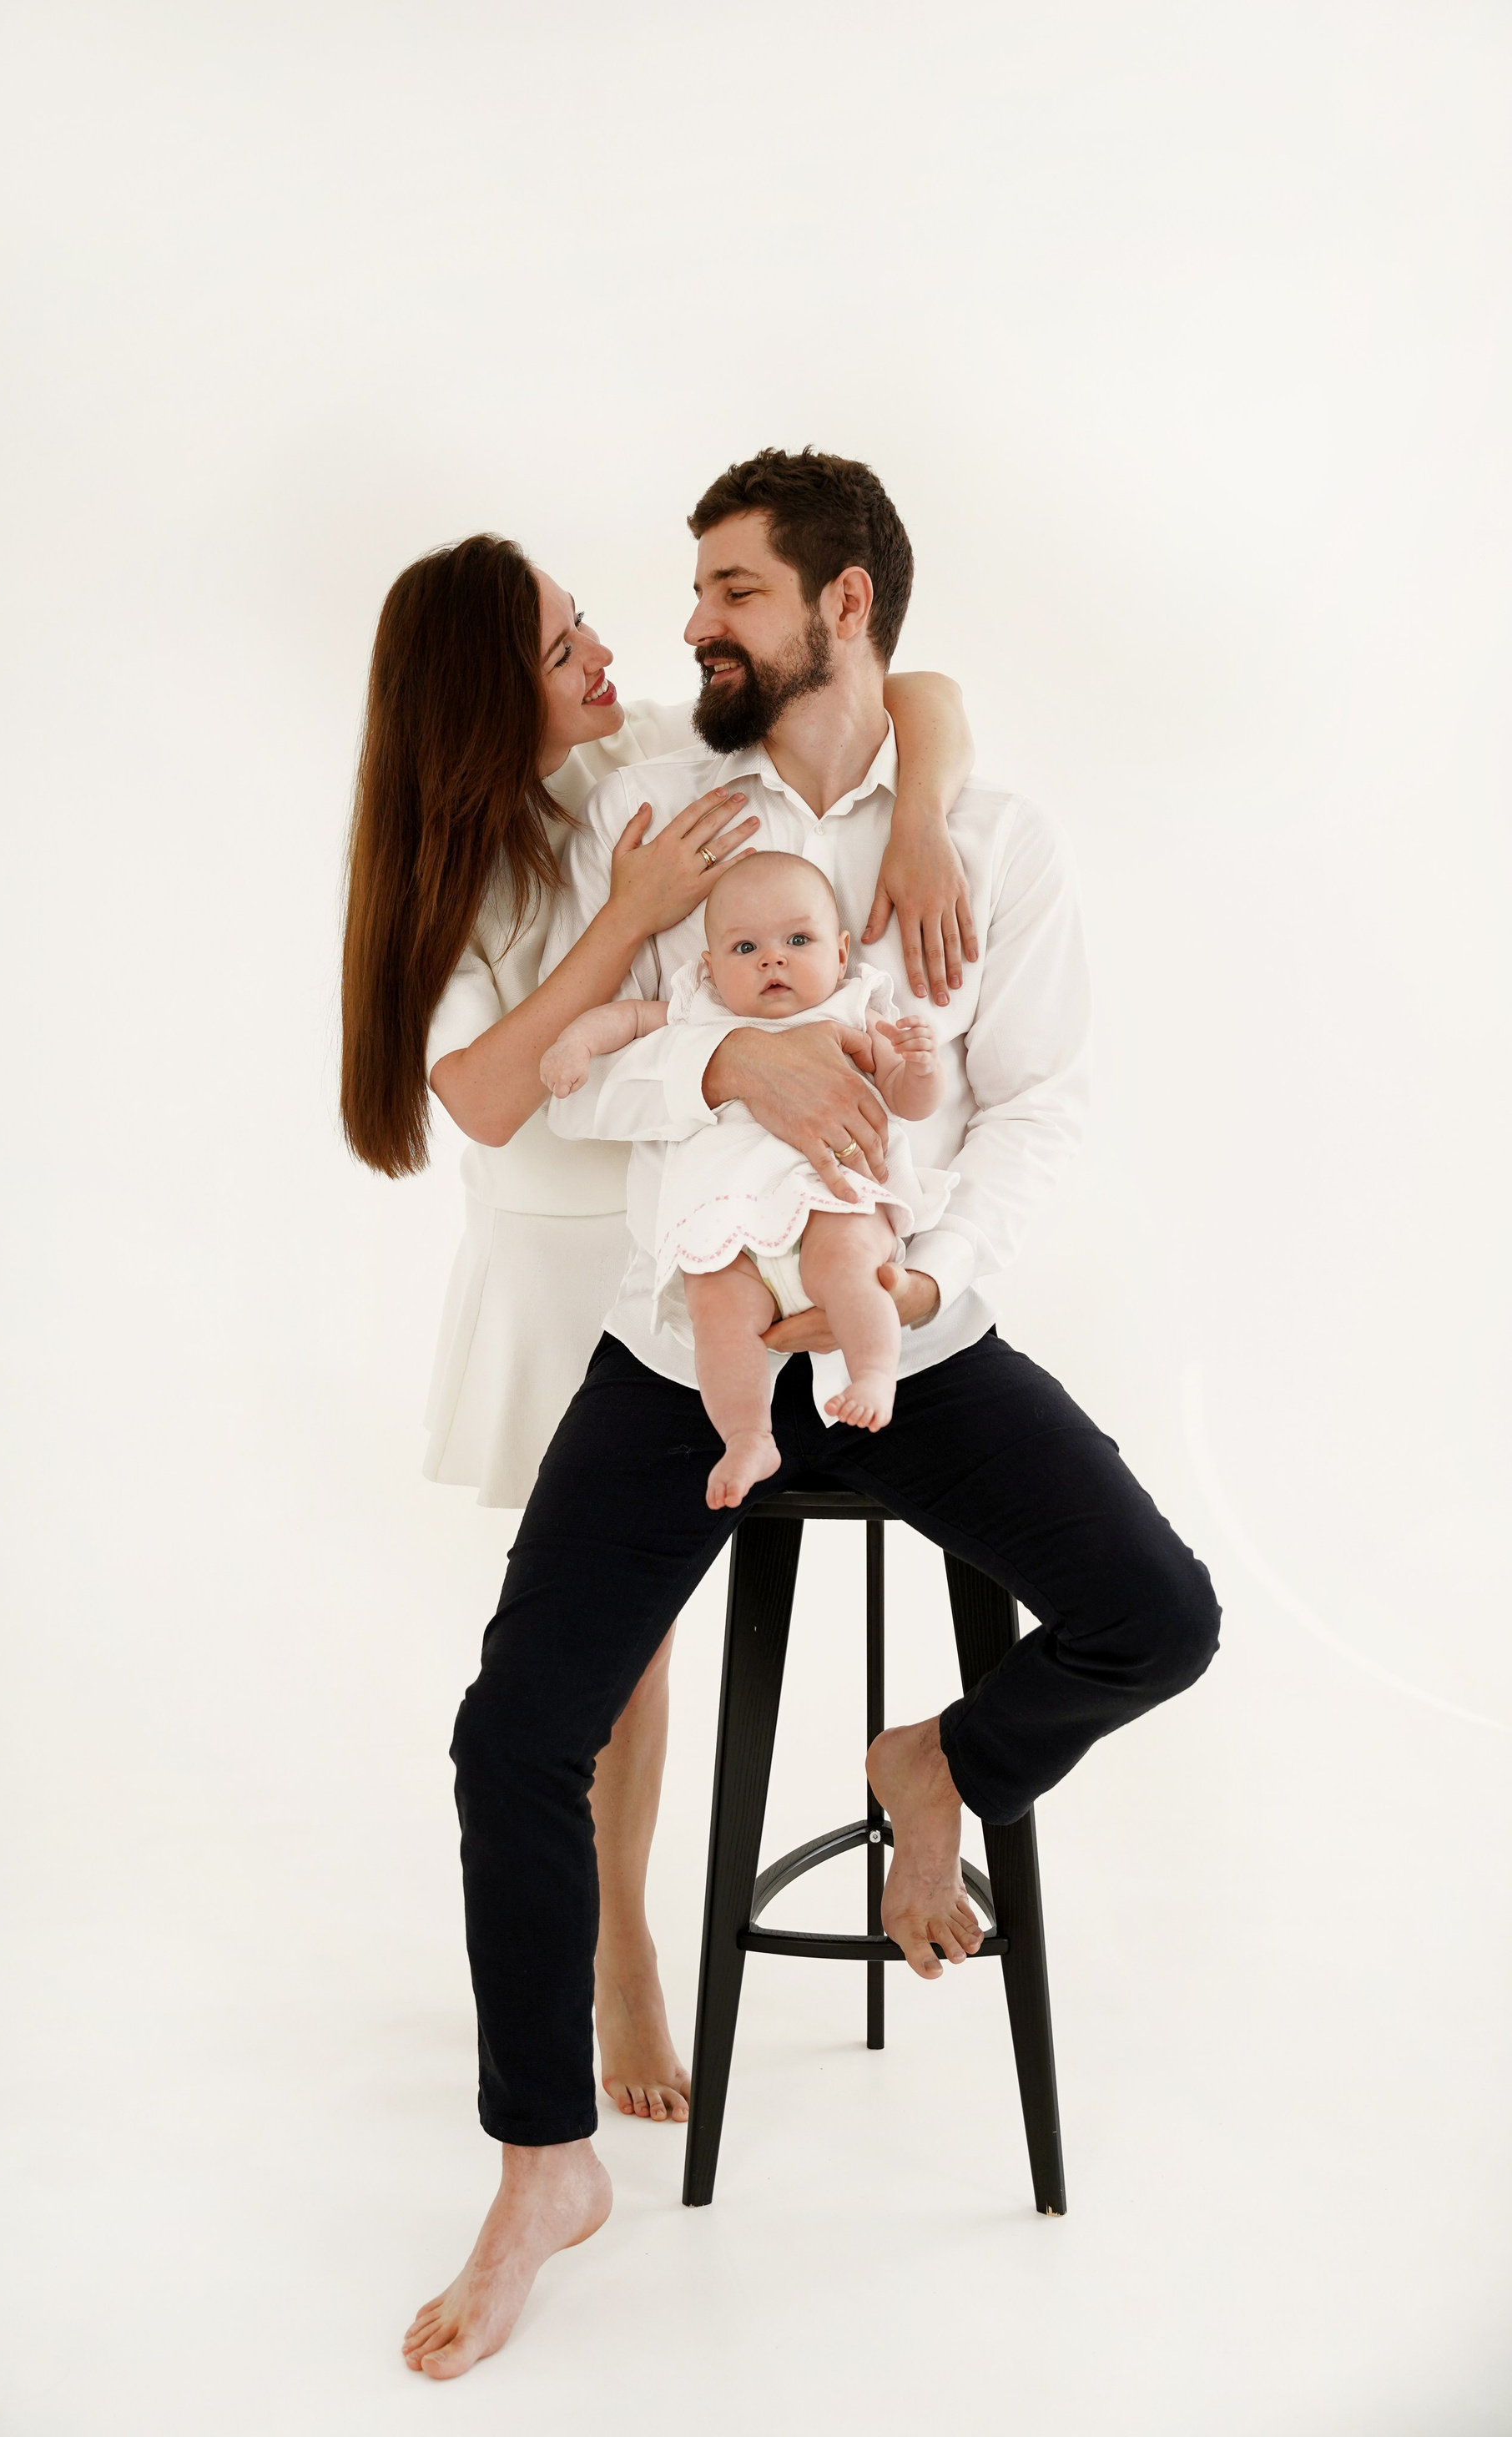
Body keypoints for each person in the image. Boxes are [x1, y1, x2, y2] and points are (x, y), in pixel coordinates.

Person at [403, 448, 1222, 2381]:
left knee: (1160, 1616)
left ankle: (940, 1762)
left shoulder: (988, 838)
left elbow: (1039, 1104)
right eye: (694, 588)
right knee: (512, 1734)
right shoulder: (666, 808)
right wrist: (733, 1064)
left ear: (843, 605)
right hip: (684, 1348)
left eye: (733, 589)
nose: (691, 621)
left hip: (906, 1332)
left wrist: (926, 1289)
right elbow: (587, 1068)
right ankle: (542, 2165)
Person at [340, 533, 980, 2126]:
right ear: (485, 694)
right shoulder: (455, 865)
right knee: (603, 1654)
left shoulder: (634, 752)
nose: (605, 656)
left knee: (640, 1644)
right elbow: (487, 1098)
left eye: (584, 630)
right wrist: (628, 914)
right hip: (561, 1265)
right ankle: (617, 1947)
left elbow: (915, 690)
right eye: (564, 646)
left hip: (696, 1228)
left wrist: (919, 821)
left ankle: (616, 1937)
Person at [540, 850, 951, 1501]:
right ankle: (747, 1437)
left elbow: (909, 1101)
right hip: (726, 1227)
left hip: (831, 1202)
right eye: (745, 947)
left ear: (841, 953)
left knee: (850, 1267)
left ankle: (874, 1374)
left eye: (798, 940)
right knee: (717, 1314)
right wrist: (576, 1044)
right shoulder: (699, 1009)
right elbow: (626, 1019)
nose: (772, 960)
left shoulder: (853, 1009)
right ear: (710, 967)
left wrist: (920, 1070)